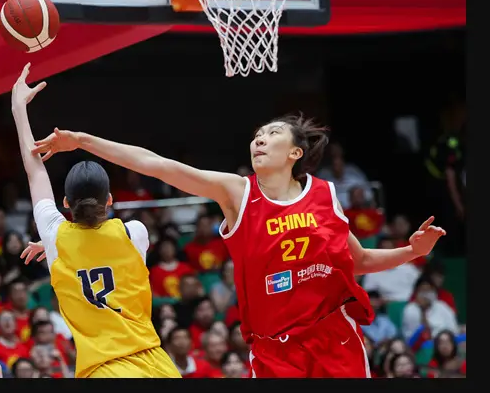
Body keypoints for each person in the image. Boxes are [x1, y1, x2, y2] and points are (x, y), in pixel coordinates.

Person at [31, 111, 446, 378]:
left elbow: (359, 260)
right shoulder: (237, 193)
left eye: (271, 134)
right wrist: (83, 140)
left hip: (332, 337)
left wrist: (413, 252)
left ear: (295, 152)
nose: (259, 140)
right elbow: (157, 165)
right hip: (273, 350)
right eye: (257, 136)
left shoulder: (325, 196)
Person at [10, 64, 180, 379]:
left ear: (65, 203)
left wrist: (19, 109)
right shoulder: (134, 232)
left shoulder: (56, 236)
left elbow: (35, 172)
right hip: (156, 365)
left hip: (103, 370)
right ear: (110, 199)